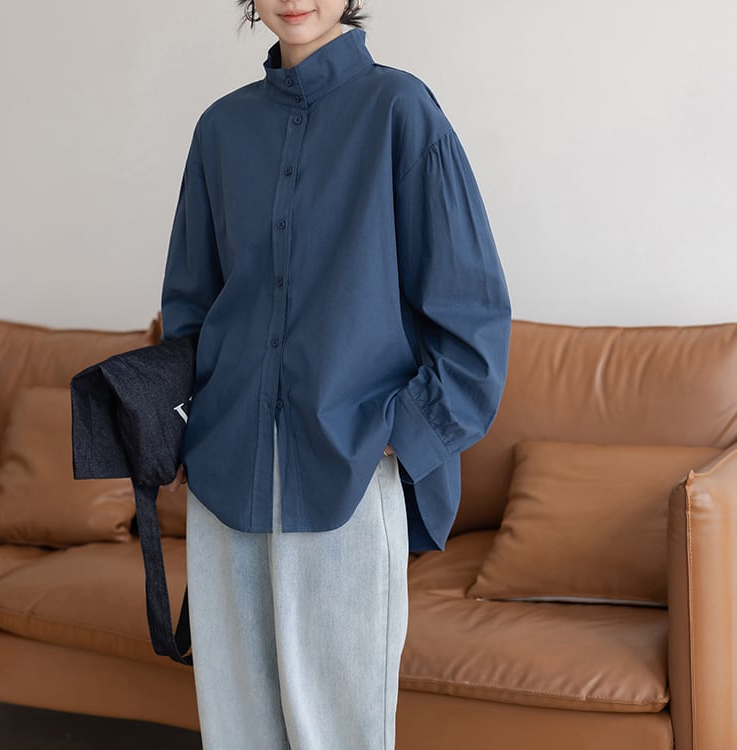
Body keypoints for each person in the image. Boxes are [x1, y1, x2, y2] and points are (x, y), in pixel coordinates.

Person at [158, 1, 511, 748]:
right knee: (236, 733)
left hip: (351, 475)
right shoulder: (220, 129)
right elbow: (190, 304)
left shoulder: (401, 112)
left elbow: (472, 318)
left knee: (341, 736)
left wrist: (394, 439)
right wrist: (187, 426)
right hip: (225, 473)